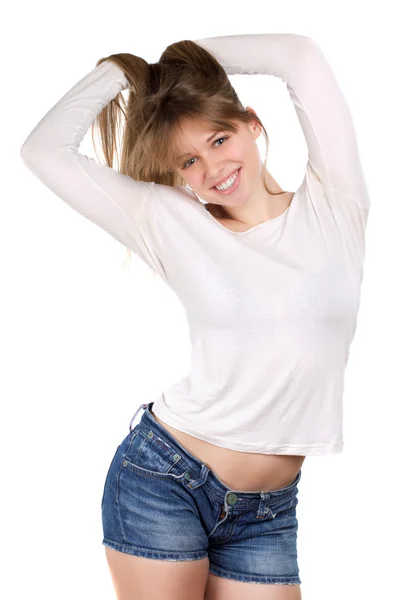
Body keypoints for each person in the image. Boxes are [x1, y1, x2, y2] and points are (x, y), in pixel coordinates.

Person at [20, 33, 370, 600]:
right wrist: (124, 72)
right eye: (189, 160)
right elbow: (42, 152)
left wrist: (177, 60)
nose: (213, 167)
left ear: (252, 124)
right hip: (165, 481)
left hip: (268, 513)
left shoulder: (336, 205)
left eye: (219, 137)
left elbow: (300, 57)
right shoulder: (171, 222)